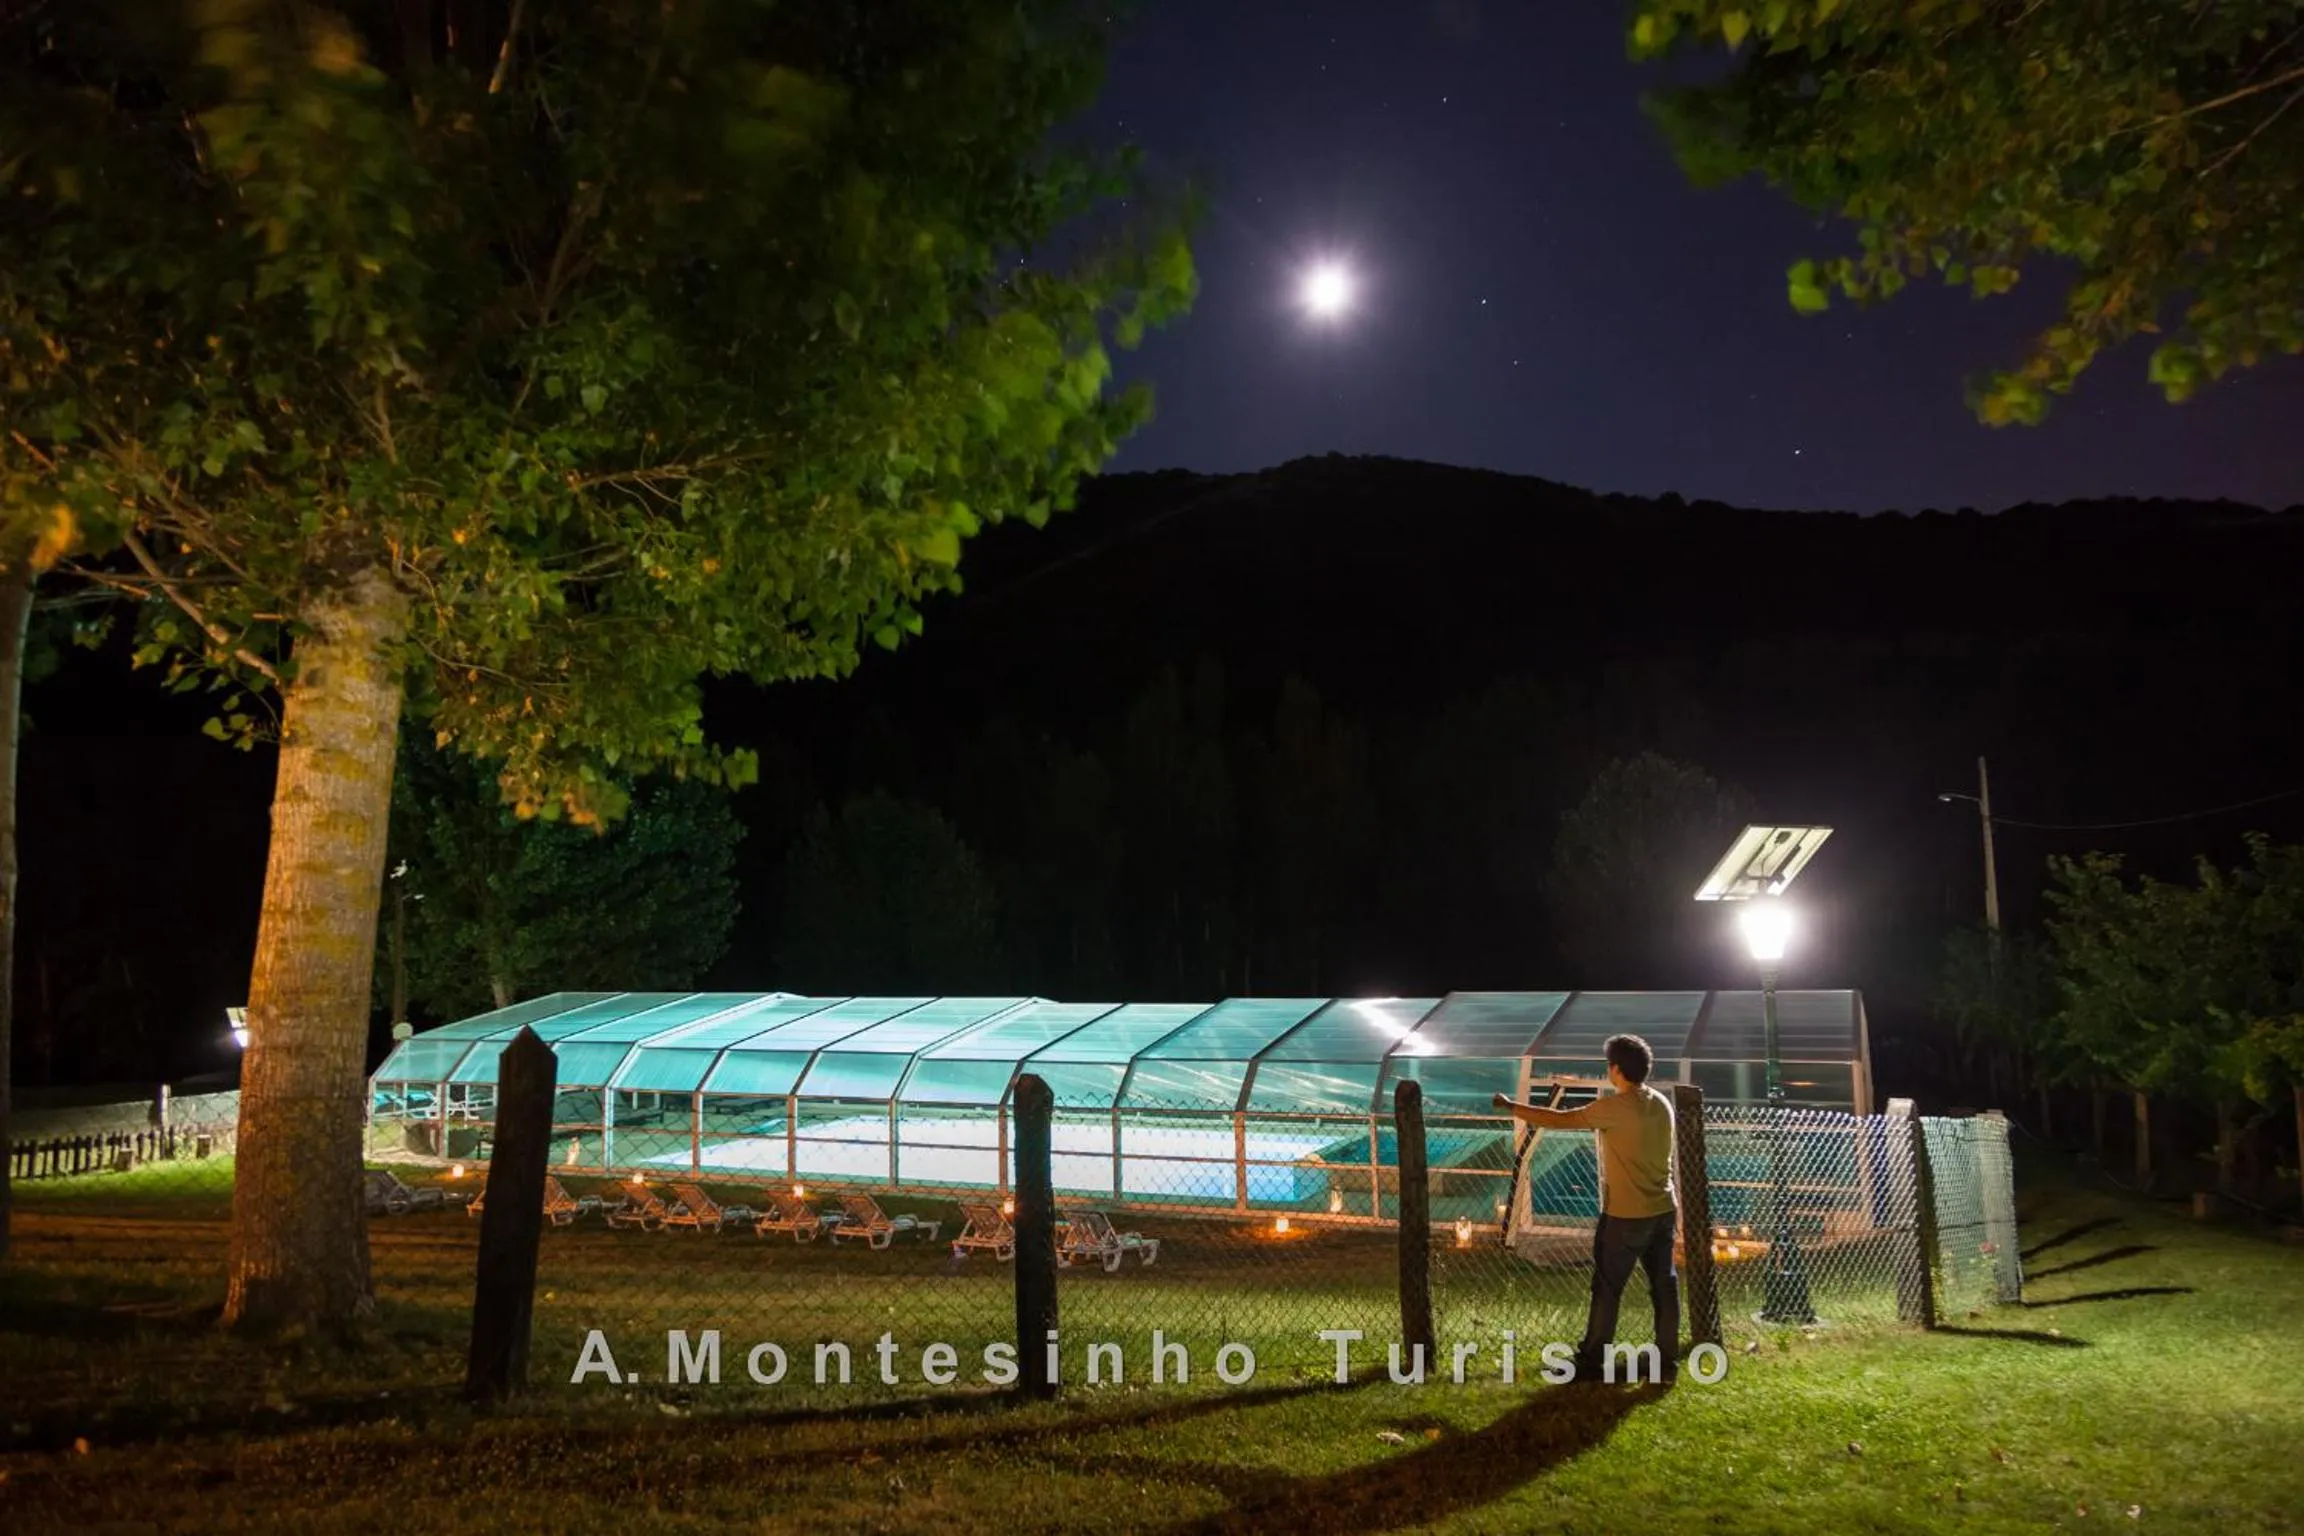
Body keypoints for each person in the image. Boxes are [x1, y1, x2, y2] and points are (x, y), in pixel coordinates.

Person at [1493, 1032, 1680, 1385]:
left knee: (1608, 1287)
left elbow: (1558, 1119)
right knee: (1664, 1284)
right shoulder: (1661, 1104)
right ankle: (1666, 1358)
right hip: (1663, 1210)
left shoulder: (1614, 1108)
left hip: (1626, 1216)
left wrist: (1510, 1106)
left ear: (1617, 1069)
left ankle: (1593, 1360)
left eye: (1609, 1065)